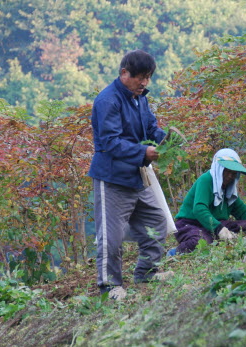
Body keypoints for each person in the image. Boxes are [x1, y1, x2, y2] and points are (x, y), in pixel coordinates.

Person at [88, 49, 173, 301]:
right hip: (112, 178)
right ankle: (109, 286)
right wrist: (144, 152)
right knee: (110, 236)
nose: (144, 83)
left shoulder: (140, 98)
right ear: (124, 73)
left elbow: (150, 127)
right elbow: (109, 143)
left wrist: (165, 141)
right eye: (140, 77)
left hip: (137, 174)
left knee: (156, 221)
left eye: (148, 77)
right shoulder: (108, 100)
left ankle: (147, 272)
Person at [167, 148, 246, 255]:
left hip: (214, 224)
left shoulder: (229, 188)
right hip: (190, 224)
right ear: (219, 169)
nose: (230, 176)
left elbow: (242, 211)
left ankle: (215, 239)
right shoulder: (206, 180)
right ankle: (174, 253)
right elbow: (199, 209)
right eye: (227, 171)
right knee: (200, 242)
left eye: (234, 173)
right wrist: (219, 229)